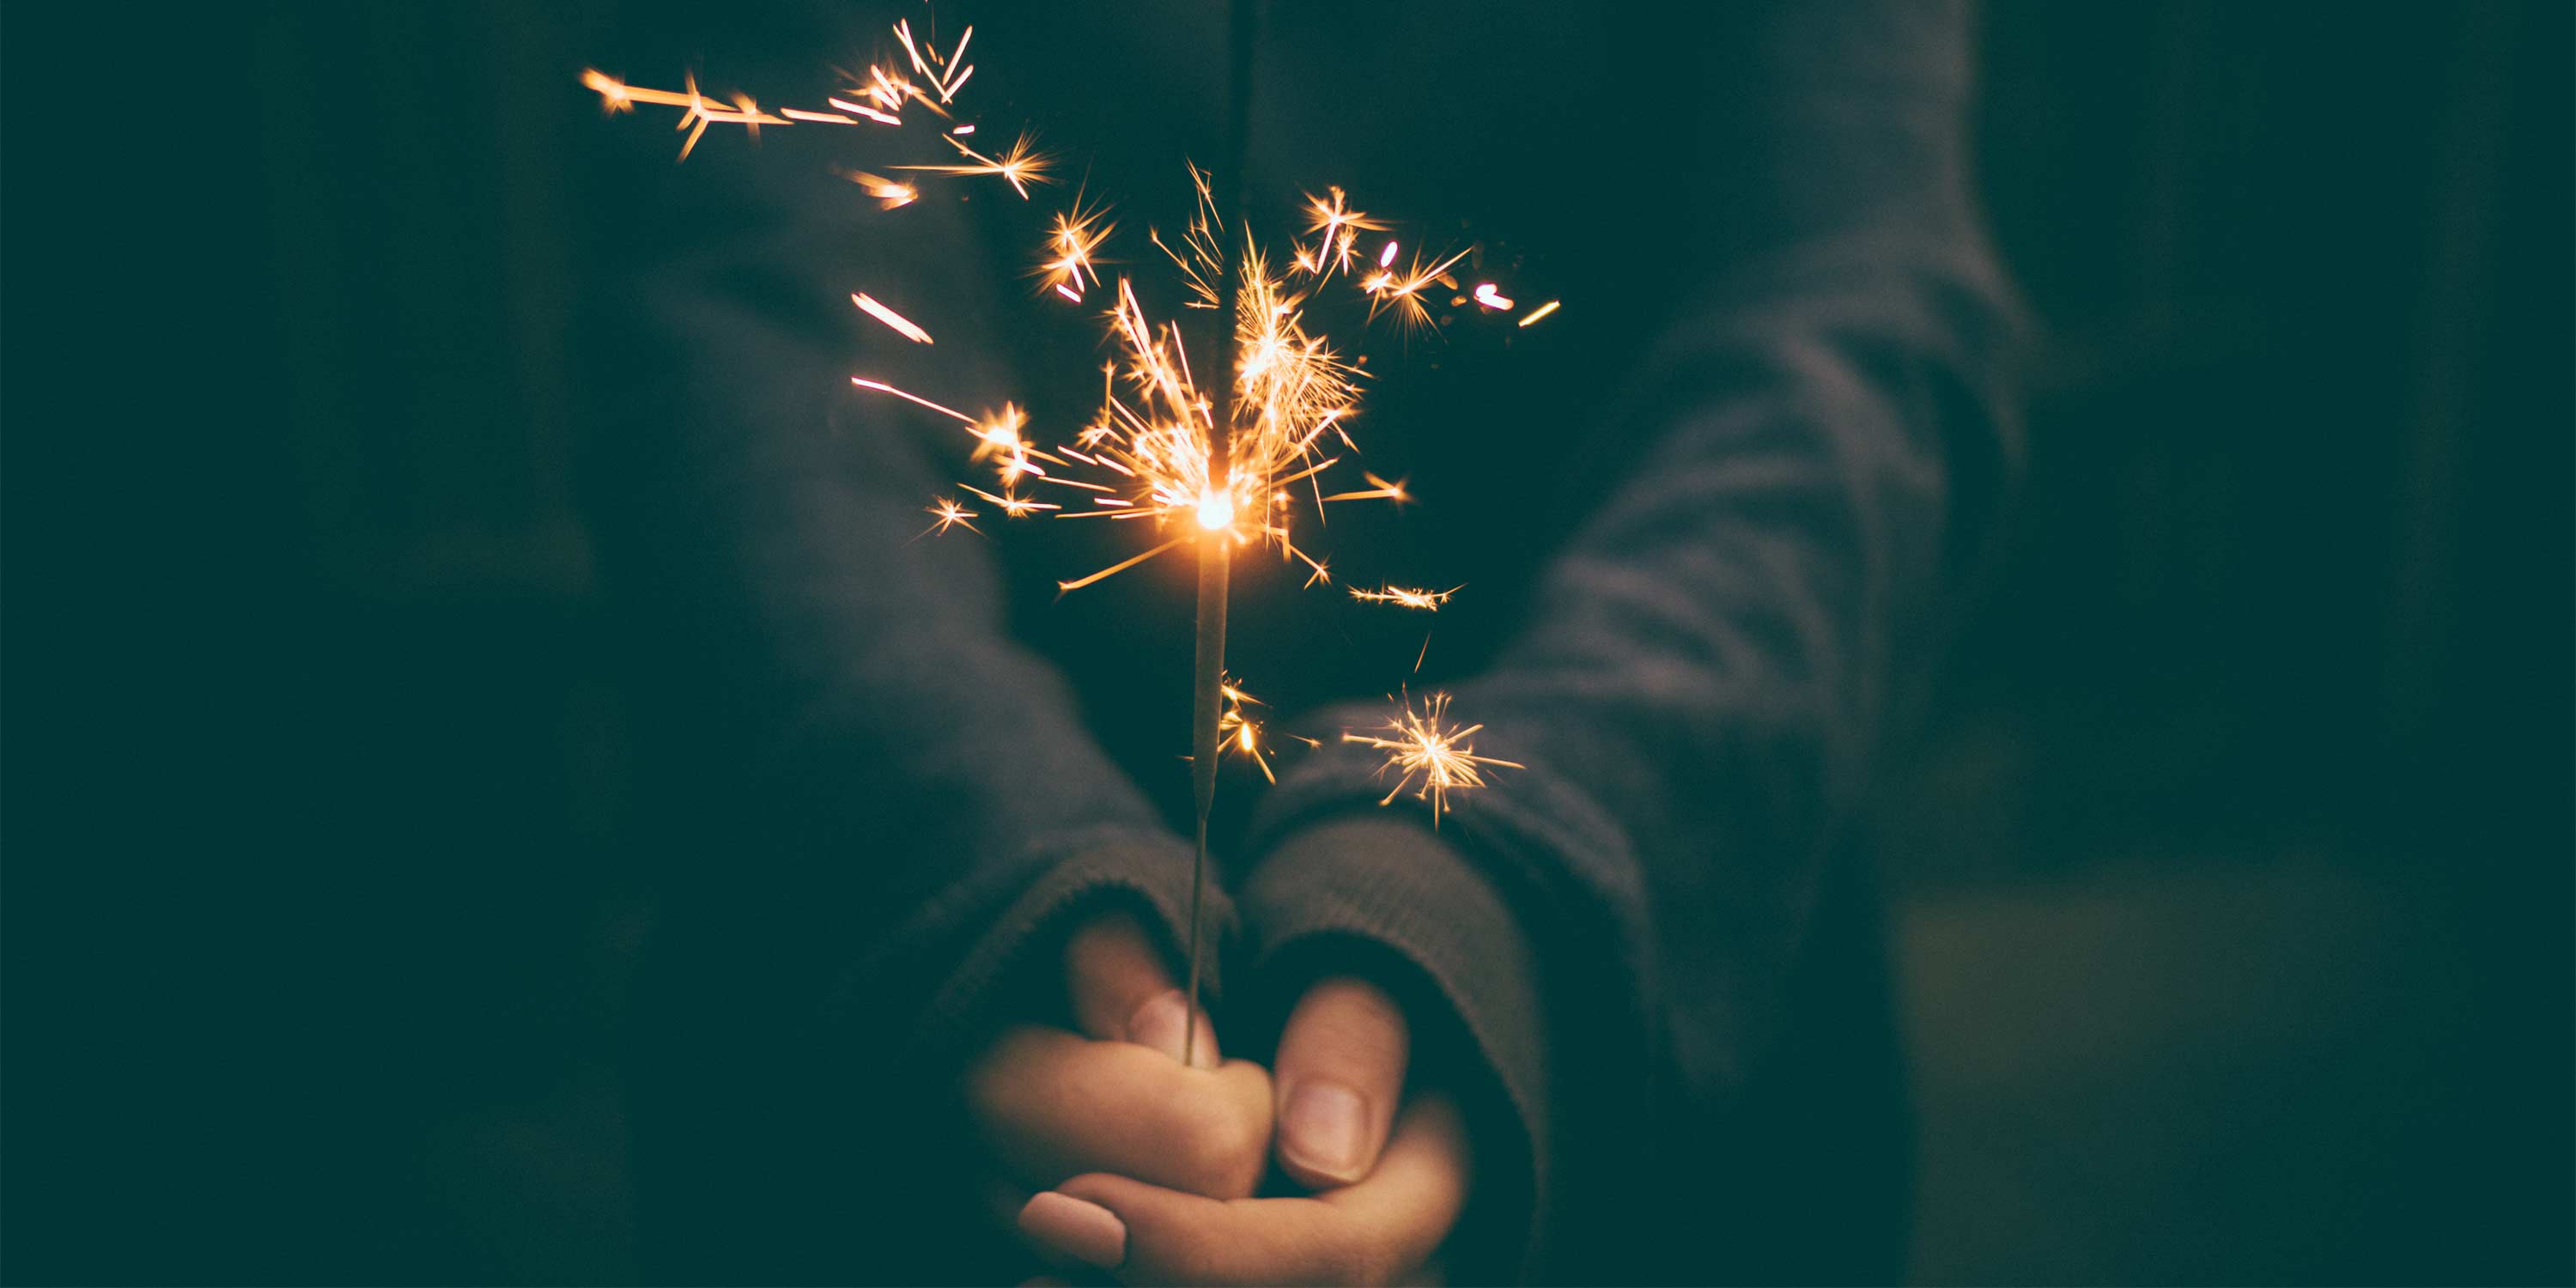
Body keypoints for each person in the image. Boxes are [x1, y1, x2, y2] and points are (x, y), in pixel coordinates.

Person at [590, 0, 2018, 1281]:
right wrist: (981, 860)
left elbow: (1846, 320)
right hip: (906, 1035)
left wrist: (1493, 874)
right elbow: (759, 315)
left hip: (1638, 998)